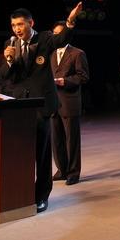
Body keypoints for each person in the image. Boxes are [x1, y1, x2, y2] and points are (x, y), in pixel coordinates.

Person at [0, 3, 82, 214]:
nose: (17, 29)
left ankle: (42, 196)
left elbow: (61, 39)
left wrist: (70, 21)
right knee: (23, 152)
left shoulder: (44, 38)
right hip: (20, 107)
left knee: (42, 155)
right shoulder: (11, 44)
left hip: (41, 105)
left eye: (20, 24)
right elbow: (5, 75)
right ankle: (23, 193)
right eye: (13, 25)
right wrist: (9, 61)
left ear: (31, 23)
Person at [50, 20, 90, 186]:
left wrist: (64, 81)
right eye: (55, 34)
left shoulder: (77, 53)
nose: (57, 37)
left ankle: (73, 172)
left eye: (60, 33)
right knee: (56, 140)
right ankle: (62, 170)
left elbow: (83, 76)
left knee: (71, 140)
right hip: (53, 103)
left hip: (69, 102)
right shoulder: (50, 53)